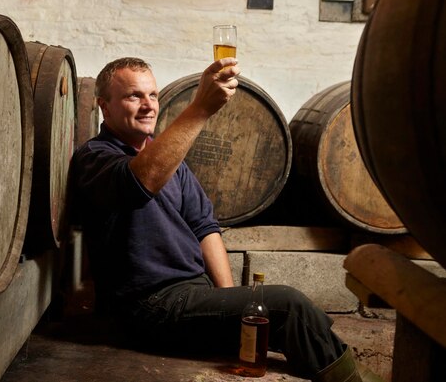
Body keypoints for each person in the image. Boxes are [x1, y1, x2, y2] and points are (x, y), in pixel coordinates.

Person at [69, 57, 382, 382]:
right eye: (134, 96)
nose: (148, 105)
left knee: (293, 326)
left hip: (191, 295)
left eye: (153, 95)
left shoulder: (173, 163)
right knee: (289, 306)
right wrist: (200, 109)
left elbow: (206, 229)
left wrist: (231, 302)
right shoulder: (95, 158)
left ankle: (345, 372)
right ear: (104, 106)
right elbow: (139, 183)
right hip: (147, 307)